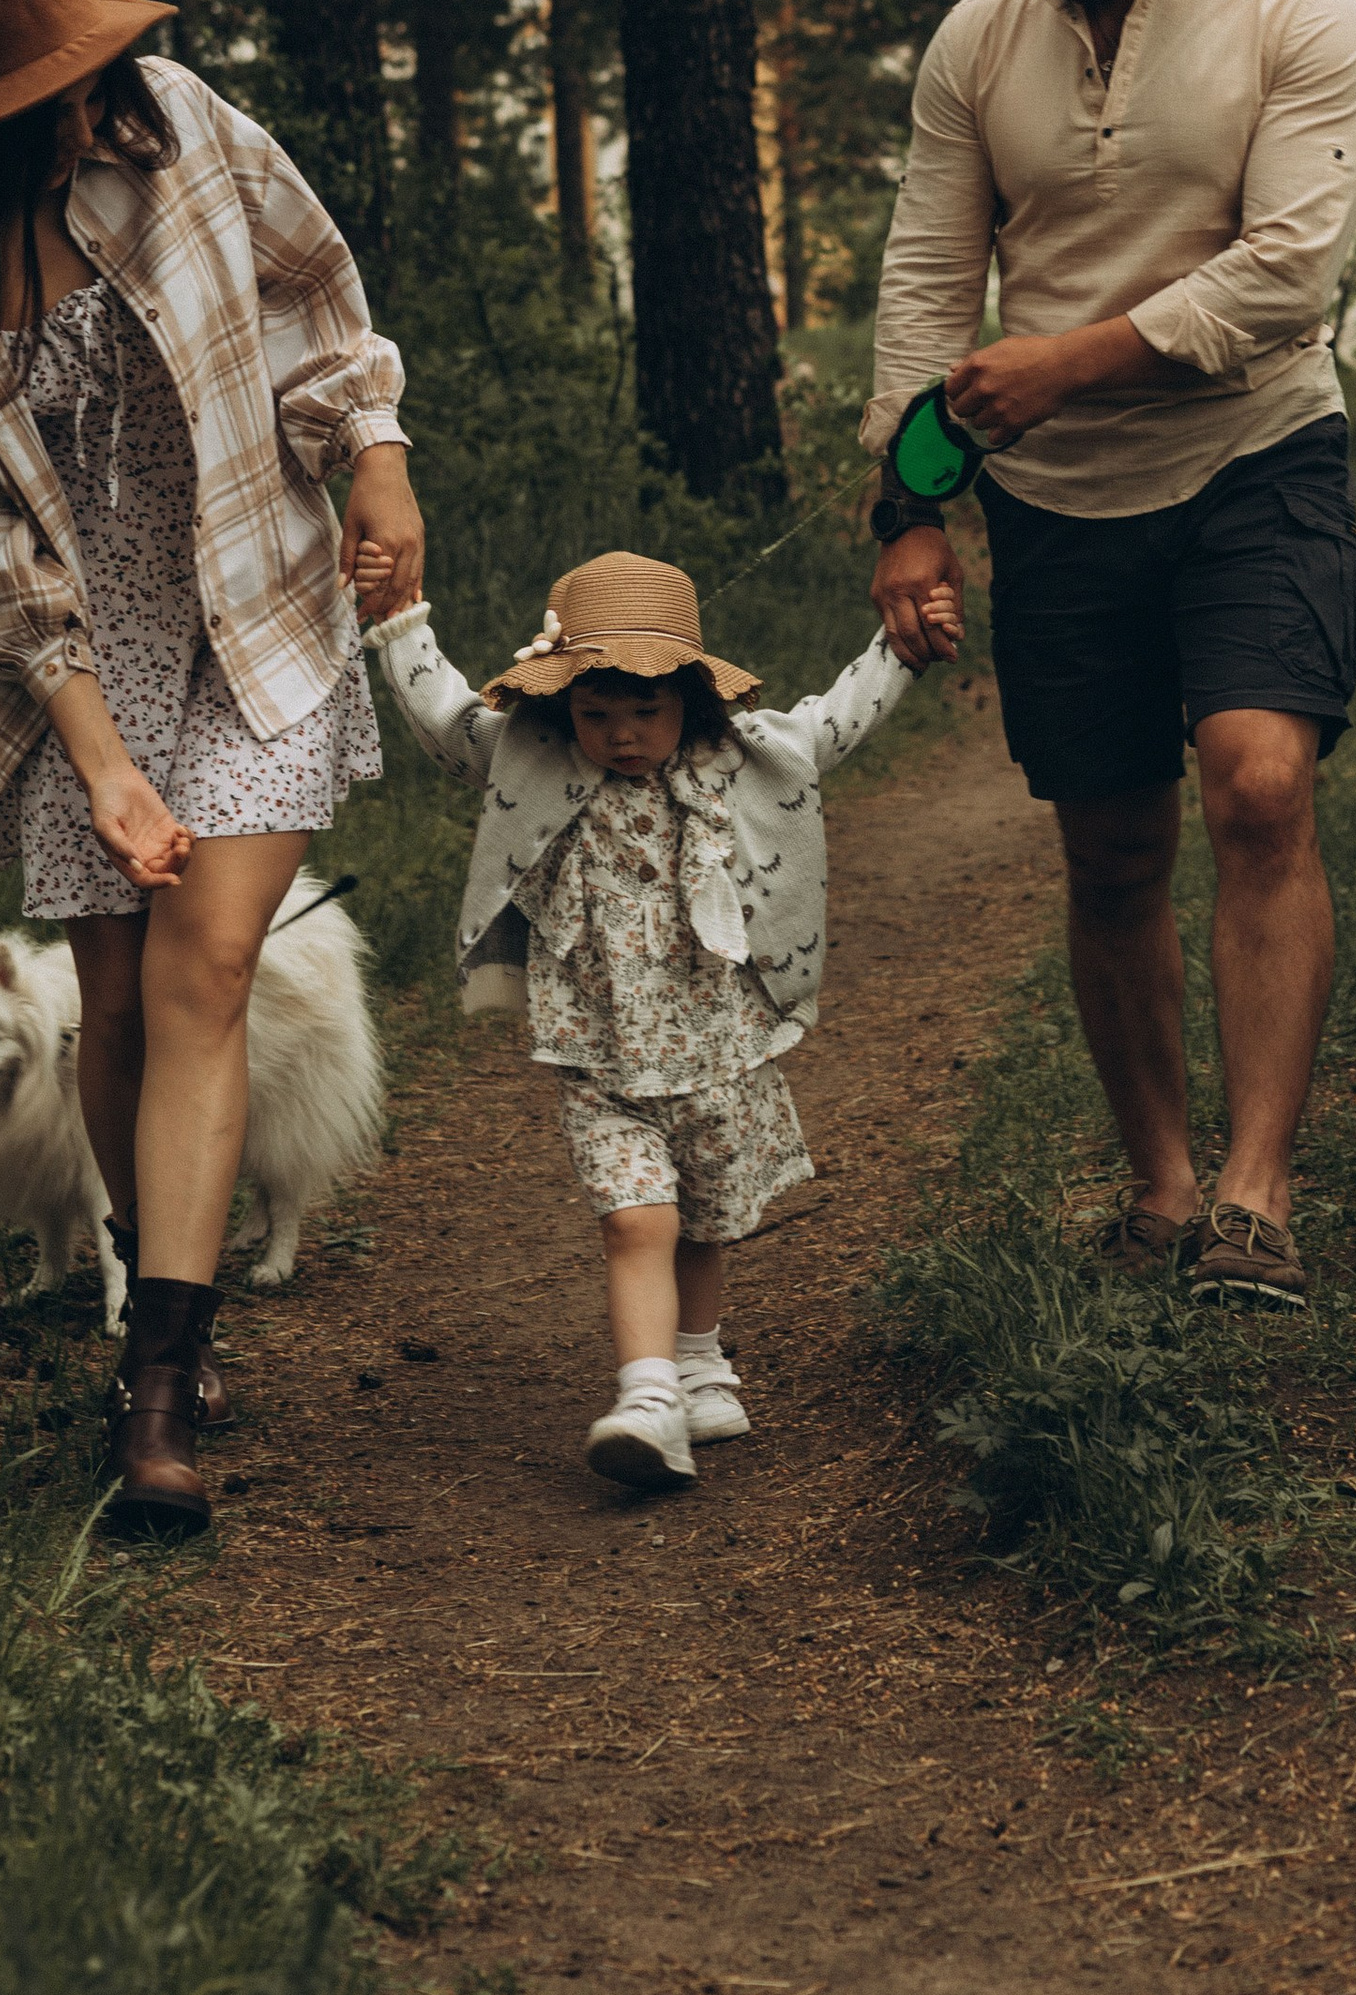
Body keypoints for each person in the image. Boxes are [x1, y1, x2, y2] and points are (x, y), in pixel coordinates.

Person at [0, 0, 423, 1536]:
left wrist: (377, 455)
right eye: (40, 105)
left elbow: (313, 292)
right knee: (114, 1002)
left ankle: (158, 1388)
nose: (79, 118)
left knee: (205, 969)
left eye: (83, 83)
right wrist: (105, 763)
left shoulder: (179, 125)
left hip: (258, 608)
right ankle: (158, 1295)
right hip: (69, 671)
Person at [864, 0, 1356, 1312]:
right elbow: (928, 282)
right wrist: (909, 509)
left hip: (1257, 455)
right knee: (1110, 845)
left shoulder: (1300, 15)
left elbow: (1288, 273)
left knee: (1260, 786)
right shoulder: (978, 41)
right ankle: (1162, 1185)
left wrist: (1069, 360)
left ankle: (1256, 1202)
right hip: (1056, 501)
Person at [362, 547, 955, 1489]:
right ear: (563, 705)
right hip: (600, 1058)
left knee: (704, 1221)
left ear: (690, 695)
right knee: (637, 1220)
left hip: (719, 1048)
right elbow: (445, 718)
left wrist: (903, 649)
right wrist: (399, 623)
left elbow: (833, 722)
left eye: (646, 709)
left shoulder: (740, 758)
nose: (623, 734)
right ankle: (647, 1397)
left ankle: (699, 1361)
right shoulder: (536, 758)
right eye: (596, 713)